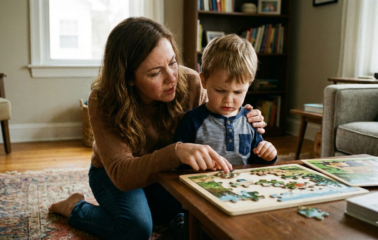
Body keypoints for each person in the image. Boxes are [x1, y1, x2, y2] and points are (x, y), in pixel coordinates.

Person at [49, 17, 267, 240]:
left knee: (201, 211)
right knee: (136, 228)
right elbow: (122, 174)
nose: (172, 78)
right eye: (155, 73)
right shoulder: (103, 99)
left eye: (172, 62)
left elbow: (217, 116)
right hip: (115, 174)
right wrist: (176, 152)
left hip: (167, 172)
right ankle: (75, 207)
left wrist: (243, 115)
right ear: (128, 78)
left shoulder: (192, 82)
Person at [174, 34, 277, 165]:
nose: (228, 100)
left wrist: (269, 155)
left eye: (238, 92)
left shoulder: (251, 121)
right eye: (220, 90)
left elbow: (256, 161)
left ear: (248, 85)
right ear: (204, 81)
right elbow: (178, 161)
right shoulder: (192, 120)